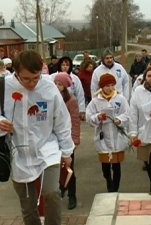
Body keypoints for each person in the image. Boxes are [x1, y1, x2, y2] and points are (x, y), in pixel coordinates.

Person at [0, 50, 74, 225]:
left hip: (47, 148)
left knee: (52, 192)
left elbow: (62, 121)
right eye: (26, 79)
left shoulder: (48, 88)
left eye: (35, 78)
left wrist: (67, 152)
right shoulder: (3, 87)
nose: (32, 83)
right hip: (18, 152)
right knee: (28, 205)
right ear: (15, 72)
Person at [86, 73, 131, 192]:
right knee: (106, 166)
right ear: (102, 86)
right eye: (107, 85)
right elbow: (89, 118)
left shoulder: (120, 99)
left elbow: (127, 114)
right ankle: (108, 180)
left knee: (116, 166)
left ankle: (114, 189)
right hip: (103, 137)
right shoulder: (95, 101)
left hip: (117, 136)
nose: (110, 88)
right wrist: (98, 117)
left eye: (112, 85)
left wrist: (119, 120)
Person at [53, 72, 80, 210]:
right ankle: (61, 189)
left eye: (60, 84)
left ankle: (72, 195)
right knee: (55, 168)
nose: (57, 86)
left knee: (69, 168)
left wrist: (75, 140)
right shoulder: (50, 98)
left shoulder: (71, 101)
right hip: (53, 141)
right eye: (56, 84)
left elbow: (75, 121)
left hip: (68, 139)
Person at [50, 56, 86, 120]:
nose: (65, 67)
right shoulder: (52, 77)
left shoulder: (75, 79)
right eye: (63, 65)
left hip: (71, 108)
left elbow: (80, 94)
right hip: (56, 107)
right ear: (59, 65)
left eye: (67, 65)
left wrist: (82, 110)